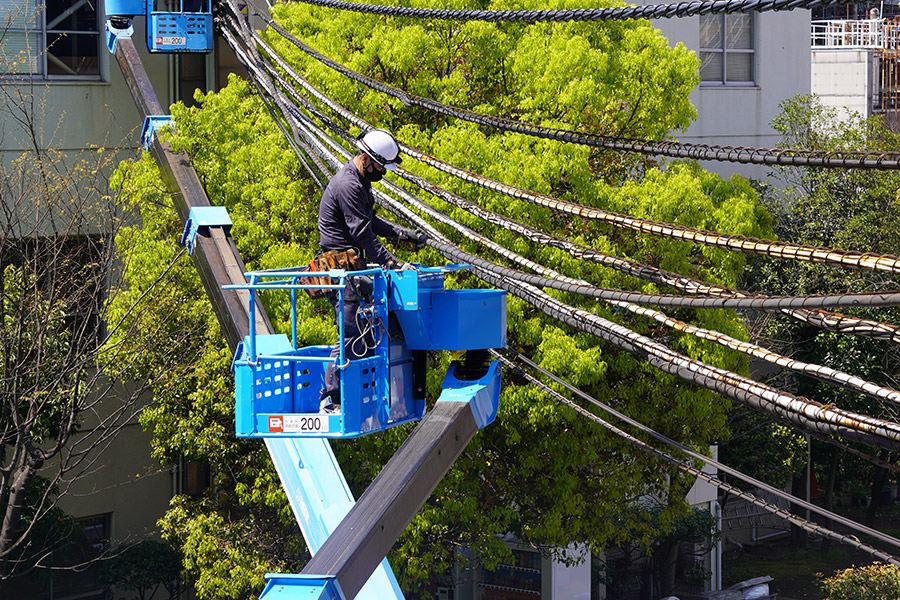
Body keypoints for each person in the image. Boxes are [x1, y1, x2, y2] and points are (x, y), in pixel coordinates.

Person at [316, 128, 425, 414]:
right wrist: (392, 263)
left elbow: (371, 221)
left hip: (352, 269)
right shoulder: (349, 185)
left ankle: (355, 390)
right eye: (380, 166)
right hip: (341, 269)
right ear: (366, 158)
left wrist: (401, 234)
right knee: (351, 333)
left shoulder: (361, 182)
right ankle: (331, 397)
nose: (382, 172)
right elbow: (362, 233)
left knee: (365, 332)